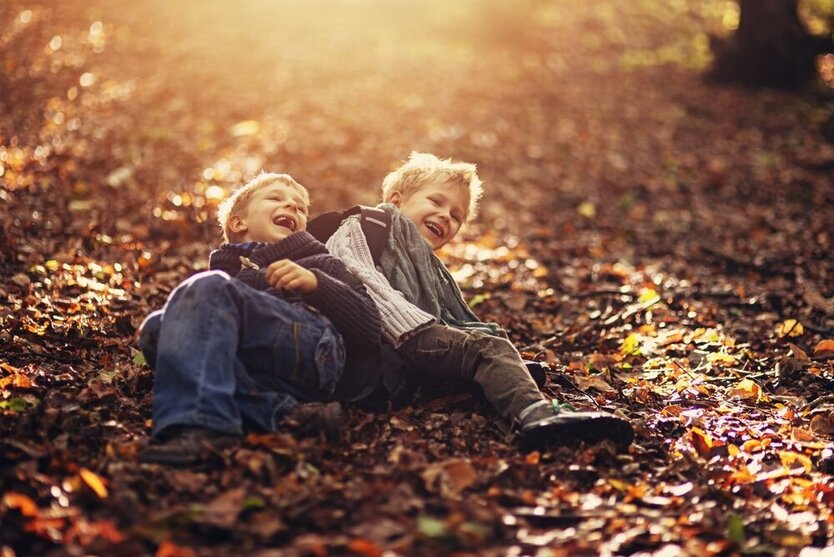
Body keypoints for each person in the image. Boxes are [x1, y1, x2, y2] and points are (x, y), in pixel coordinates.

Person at [325, 153, 633, 449]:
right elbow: (351, 272)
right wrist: (411, 326)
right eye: (435, 201)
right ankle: (535, 414)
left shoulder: (428, 266)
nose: (446, 215)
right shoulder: (367, 223)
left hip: (404, 346)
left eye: (456, 216)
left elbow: (450, 316)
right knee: (486, 348)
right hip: (389, 335)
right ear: (396, 200)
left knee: (487, 345)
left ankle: (501, 377)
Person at [137, 173, 382, 466]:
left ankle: (201, 426)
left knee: (207, 289)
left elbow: (370, 326)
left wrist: (317, 284)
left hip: (313, 352)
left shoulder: (319, 261)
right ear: (239, 223)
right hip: (256, 369)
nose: (291, 206)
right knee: (156, 331)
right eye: (276, 198)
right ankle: (283, 415)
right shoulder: (224, 279)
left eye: (300, 207)